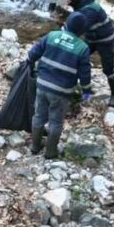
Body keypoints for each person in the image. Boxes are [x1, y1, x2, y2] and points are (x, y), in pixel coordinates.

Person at [28, 12, 92, 159]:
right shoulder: (82, 48)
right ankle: (50, 152)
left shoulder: (52, 36)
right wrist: (87, 90)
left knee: (38, 116)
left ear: (66, 24)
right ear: (82, 31)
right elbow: (85, 74)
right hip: (62, 91)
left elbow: (33, 53)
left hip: (42, 85)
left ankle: (35, 146)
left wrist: (29, 62)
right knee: (55, 122)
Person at [61, 0, 114, 106]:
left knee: (108, 68)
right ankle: (85, 88)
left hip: (105, 40)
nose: (64, 3)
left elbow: (79, 27)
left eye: (66, 1)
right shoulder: (80, 5)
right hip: (91, 38)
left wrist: (63, 33)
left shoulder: (90, 11)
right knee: (78, 58)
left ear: (73, 1)